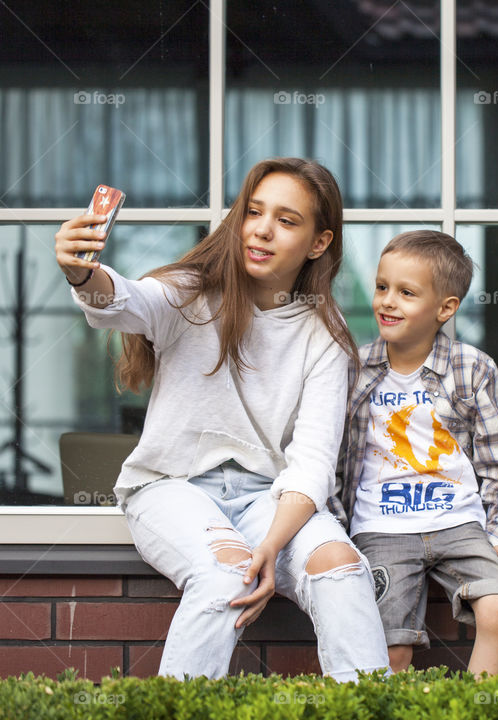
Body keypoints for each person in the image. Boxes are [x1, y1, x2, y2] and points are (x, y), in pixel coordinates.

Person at [54, 158, 390, 681]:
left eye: (286, 219)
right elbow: (122, 301)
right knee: (225, 571)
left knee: (341, 568)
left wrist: (272, 549)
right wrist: (81, 271)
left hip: (269, 499)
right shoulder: (189, 292)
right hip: (170, 487)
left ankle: (371, 707)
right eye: (253, 211)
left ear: (319, 243)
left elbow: (313, 462)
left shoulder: (325, 331)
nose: (260, 229)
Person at [333, 230, 498, 675]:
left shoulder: (472, 368)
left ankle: (478, 708)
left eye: (406, 293)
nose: (387, 301)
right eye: (382, 287)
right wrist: (334, 531)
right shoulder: (353, 368)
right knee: (391, 647)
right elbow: (331, 459)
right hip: (381, 528)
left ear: (445, 308)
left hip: (459, 523)